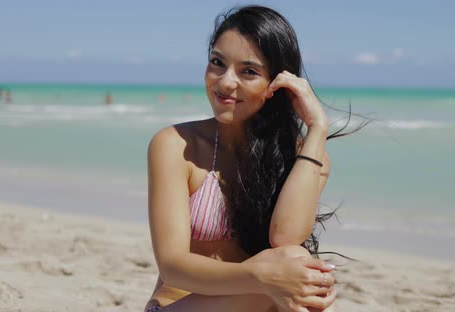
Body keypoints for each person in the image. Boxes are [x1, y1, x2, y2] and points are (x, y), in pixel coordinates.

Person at [145, 5, 364, 312]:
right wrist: (261, 277)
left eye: (248, 71)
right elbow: (172, 266)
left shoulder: (306, 157)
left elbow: (285, 237)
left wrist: (317, 130)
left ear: (278, 83)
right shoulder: (175, 145)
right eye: (217, 63)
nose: (225, 83)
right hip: (179, 306)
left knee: (298, 267)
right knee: (292, 271)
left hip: (264, 303)